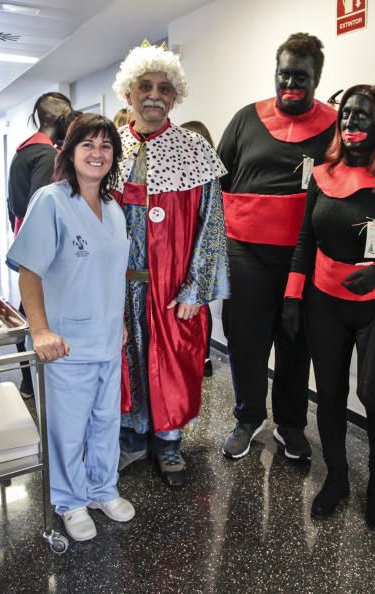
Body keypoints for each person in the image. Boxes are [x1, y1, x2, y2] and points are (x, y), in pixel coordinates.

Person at [283, 85, 375, 530]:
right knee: (328, 397)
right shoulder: (322, 175)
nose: (351, 124)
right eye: (346, 116)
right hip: (323, 304)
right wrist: (292, 294)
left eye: (362, 117)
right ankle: (338, 478)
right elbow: (306, 240)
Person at [5, 114, 134, 543]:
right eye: (88, 145)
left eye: (106, 146)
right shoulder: (51, 200)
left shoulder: (115, 208)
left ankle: (102, 489)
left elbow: (112, 274)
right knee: (67, 425)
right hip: (65, 341)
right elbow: (30, 272)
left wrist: (119, 323)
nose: (97, 154)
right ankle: (70, 500)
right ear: (70, 152)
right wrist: (39, 331)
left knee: (105, 420)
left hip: (107, 337)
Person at [111, 42, 230, 488]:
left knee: (172, 362)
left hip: (173, 286)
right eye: (145, 86)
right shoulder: (109, 149)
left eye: (164, 88)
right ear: (129, 93)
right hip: (119, 286)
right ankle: (129, 438)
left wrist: (196, 289)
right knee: (125, 360)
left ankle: (169, 442)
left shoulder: (194, 149)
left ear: (175, 96)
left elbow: (213, 225)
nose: (154, 95)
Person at [217, 33, 335, 461]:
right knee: (246, 340)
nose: (290, 82)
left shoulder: (335, 127)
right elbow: (218, 183)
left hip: (305, 258)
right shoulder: (246, 119)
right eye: (283, 72)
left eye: (300, 75)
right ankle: (248, 417)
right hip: (246, 254)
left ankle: (290, 424)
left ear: (317, 78)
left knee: (295, 341)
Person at [8, 91, 75, 398]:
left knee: (26, 311)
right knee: (38, 317)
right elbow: (43, 206)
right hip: (43, 254)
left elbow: (16, 206)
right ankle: (34, 382)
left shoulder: (24, 151)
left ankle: (27, 382)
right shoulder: (47, 156)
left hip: (25, 243)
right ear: (59, 119)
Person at [181, 120, 217, 378]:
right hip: (180, 257)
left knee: (198, 307)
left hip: (197, 258)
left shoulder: (209, 180)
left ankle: (201, 356)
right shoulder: (176, 175)